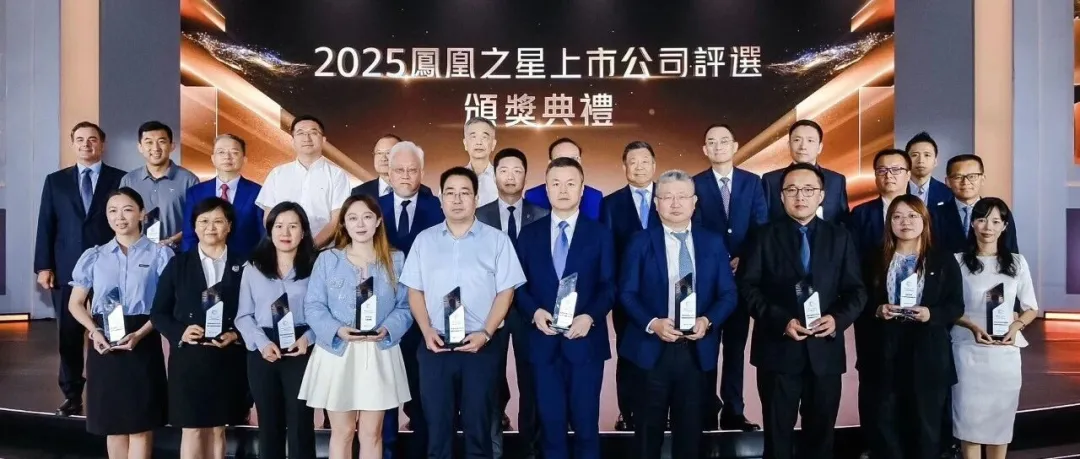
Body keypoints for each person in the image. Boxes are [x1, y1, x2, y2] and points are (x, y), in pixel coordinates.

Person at [738, 163, 866, 459]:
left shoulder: (840, 237)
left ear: (821, 195)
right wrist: (781, 321)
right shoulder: (763, 236)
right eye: (792, 189)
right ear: (781, 196)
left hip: (825, 352)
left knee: (821, 439)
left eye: (809, 189)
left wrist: (836, 320)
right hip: (778, 350)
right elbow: (747, 287)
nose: (800, 196)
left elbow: (856, 291)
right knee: (777, 438)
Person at [400, 167, 526, 459]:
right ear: (441, 199)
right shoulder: (424, 241)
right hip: (436, 345)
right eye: (450, 193)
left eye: (464, 193)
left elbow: (506, 292)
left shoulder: (497, 240)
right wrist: (426, 330)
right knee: (437, 431)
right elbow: (414, 291)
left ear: (476, 199)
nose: (457, 200)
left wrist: (486, 333)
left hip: (480, 346)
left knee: (479, 430)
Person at [618, 169, 738, 459]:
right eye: (667, 197)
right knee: (647, 437)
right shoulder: (639, 241)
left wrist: (707, 320)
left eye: (682, 196)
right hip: (651, 352)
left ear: (694, 202)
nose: (675, 203)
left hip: (695, 353)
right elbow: (626, 293)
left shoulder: (712, 242)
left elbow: (728, 294)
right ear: (656, 203)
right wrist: (652, 323)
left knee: (691, 437)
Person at [515, 157, 615, 459]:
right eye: (555, 183)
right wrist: (534, 312)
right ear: (546, 189)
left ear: (582, 189)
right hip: (543, 344)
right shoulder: (529, 234)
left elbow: (610, 286)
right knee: (550, 427)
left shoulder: (600, 234)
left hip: (585, 343)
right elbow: (518, 286)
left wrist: (590, 317)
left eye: (571, 183)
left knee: (586, 427)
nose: (563, 190)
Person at [299, 194, 413, 459]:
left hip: (379, 351)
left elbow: (407, 306)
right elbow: (313, 305)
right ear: (344, 224)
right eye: (352, 218)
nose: (360, 224)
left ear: (378, 221)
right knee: (343, 431)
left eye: (367, 217)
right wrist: (337, 330)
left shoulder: (396, 259)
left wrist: (388, 329)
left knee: (373, 434)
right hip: (338, 352)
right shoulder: (328, 259)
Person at [66, 188, 172, 459]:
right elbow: (75, 303)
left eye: (127, 210)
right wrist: (94, 332)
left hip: (143, 340)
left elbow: (166, 305)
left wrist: (141, 334)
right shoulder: (94, 256)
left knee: (141, 424)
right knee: (112, 425)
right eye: (112, 211)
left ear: (142, 214)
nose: (120, 217)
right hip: (104, 343)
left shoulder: (160, 255)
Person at [860, 195, 964, 459]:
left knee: (925, 427)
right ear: (889, 223)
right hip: (884, 353)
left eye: (912, 216)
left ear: (924, 221)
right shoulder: (874, 259)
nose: (904, 222)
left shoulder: (942, 259)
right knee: (885, 424)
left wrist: (931, 314)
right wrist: (877, 309)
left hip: (927, 354)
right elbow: (859, 300)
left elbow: (956, 306)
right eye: (897, 217)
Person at [34, 121, 125, 416]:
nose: (87, 144)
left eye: (93, 139)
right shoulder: (55, 181)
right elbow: (46, 224)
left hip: (109, 267)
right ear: (72, 143)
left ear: (102, 144)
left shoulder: (120, 179)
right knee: (69, 334)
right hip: (66, 269)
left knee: (112, 328)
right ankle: (72, 394)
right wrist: (44, 266)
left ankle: (112, 390)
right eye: (81, 139)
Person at [151, 197, 248, 459]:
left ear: (229, 226)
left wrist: (236, 334)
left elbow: (254, 312)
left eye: (218, 221)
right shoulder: (178, 265)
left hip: (227, 358)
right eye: (203, 221)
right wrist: (180, 332)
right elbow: (158, 313)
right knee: (192, 429)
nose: (210, 227)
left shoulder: (245, 265)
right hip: (189, 359)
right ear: (194, 226)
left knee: (218, 429)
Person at [692, 125, 768, 431]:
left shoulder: (753, 182)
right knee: (706, 346)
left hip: (740, 280)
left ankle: (734, 410)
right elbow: (694, 227)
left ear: (735, 145)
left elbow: (761, 226)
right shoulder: (695, 183)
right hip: (708, 282)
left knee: (735, 348)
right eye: (711, 142)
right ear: (704, 149)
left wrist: (743, 258)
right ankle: (706, 407)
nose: (718, 146)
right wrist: (719, 260)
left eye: (724, 141)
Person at [951, 198, 1038, 459]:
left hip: (1004, 353)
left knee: (1000, 423)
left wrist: (1016, 326)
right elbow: (949, 307)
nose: (988, 227)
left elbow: (1031, 308)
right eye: (981, 219)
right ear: (972, 224)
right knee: (969, 422)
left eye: (995, 221)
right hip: (968, 350)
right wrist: (970, 325)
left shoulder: (1017, 263)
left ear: (1004, 226)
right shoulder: (957, 262)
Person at [475, 147, 548, 459]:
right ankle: (493, 449)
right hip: (490, 310)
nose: (510, 176)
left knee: (532, 382)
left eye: (517, 171)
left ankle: (531, 449)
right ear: (494, 175)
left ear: (526, 176)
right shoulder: (479, 215)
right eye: (504, 170)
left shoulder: (542, 215)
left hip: (531, 311)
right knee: (490, 381)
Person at [234, 202, 319, 459]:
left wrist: (308, 338)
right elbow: (243, 316)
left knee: (301, 422)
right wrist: (261, 343)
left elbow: (325, 311)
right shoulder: (253, 268)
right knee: (269, 423)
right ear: (269, 231)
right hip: (263, 348)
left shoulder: (317, 267)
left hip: (302, 347)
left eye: (293, 226)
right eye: (279, 226)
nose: (286, 232)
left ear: (303, 232)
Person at [375, 140, 442, 455]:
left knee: (423, 394)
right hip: (382, 317)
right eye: (398, 170)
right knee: (383, 394)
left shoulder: (439, 209)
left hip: (426, 316)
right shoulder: (371, 210)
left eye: (412, 170)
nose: (405, 176)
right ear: (388, 172)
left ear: (422, 172)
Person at [847, 148, 913, 454]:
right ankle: (873, 444)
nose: (889, 176)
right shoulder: (861, 214)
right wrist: (872, 305)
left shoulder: (924, 213)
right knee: (874, 381)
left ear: (908, 175)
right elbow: (853, 266)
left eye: (896, 170)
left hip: (916, 317)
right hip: (873, 313)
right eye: (882, 170)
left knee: (912, 380)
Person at [599, 141, 659, 432]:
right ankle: (628, 411)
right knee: (628, 351)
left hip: (664, 292)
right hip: (627, 294)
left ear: (654, 165)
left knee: (664, 352)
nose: (639, 167)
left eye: (644, 161)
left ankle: (661, 410)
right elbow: (608, 251)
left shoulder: (670, 197)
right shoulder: (611, 204)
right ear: (624, 167)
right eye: (632, 162)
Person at [256, 115, 351, 248]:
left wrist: (311, 248)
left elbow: (337, 220)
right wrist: (285, 246)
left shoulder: (337, 175)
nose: (307, 138)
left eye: (313, 132)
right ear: (293, 140)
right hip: (283, 251)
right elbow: (269, 217)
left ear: (323, 140)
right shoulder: (277, 174)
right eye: (300, 133)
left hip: (323, 252)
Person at [182, 134, 264, 261]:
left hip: (245, 263)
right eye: (221, 152)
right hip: (204, 263)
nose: (227, 157)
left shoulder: (258, 192)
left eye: (234, 152)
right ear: (213, 159)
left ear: (244, 159)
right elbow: (189, 234)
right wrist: (189, 264)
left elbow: (263, 235)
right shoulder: (196, 192)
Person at [119, 120, 200, 248]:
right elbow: (121, 217)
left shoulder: (189, 180)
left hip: (177, 252)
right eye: (149, 142)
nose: (155, 148)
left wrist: (172, 241)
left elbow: (198, 220)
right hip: (138, 251)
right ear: (140, 147)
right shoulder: (129, 181)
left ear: (172, 146)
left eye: (161, 141)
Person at [761, 120, 849, 224]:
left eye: (810, 140)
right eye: (797, 140)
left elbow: (843, 221)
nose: (803, 147)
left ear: (820, 147)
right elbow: (763, 221)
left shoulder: (836, 180)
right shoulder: (770, 180)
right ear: (789, 145)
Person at [931, 154, 1019, 255]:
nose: (965, 182)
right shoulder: (934, 214)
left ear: (983, 179)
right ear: (947, 182)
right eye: (958, 177)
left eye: (972, 176)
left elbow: (1011, 252)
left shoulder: (999, 212)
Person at [522, 138, 604, 220]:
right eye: (560, 160)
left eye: (573, 159)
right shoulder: (532, 197)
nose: (567, 165)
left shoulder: (595, 198)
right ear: (550, 163)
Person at [351, 134, 432, 198]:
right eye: (379, 153)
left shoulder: (423, 192)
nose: (383, 158)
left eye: (389, 153)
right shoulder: (359, 193)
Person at [905, 132, 954, 208]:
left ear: (935, 161)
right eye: (915, 155)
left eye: (927, 155)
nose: (921, 160)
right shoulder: (896, 190)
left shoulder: (948, 193)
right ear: (906, 161)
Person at [462, 117, 500, 206]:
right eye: (473, 137)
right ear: (465, 144)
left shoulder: (502, 179)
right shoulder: (452, 179)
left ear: (493, 144)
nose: (479, 142)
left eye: (484, 137)